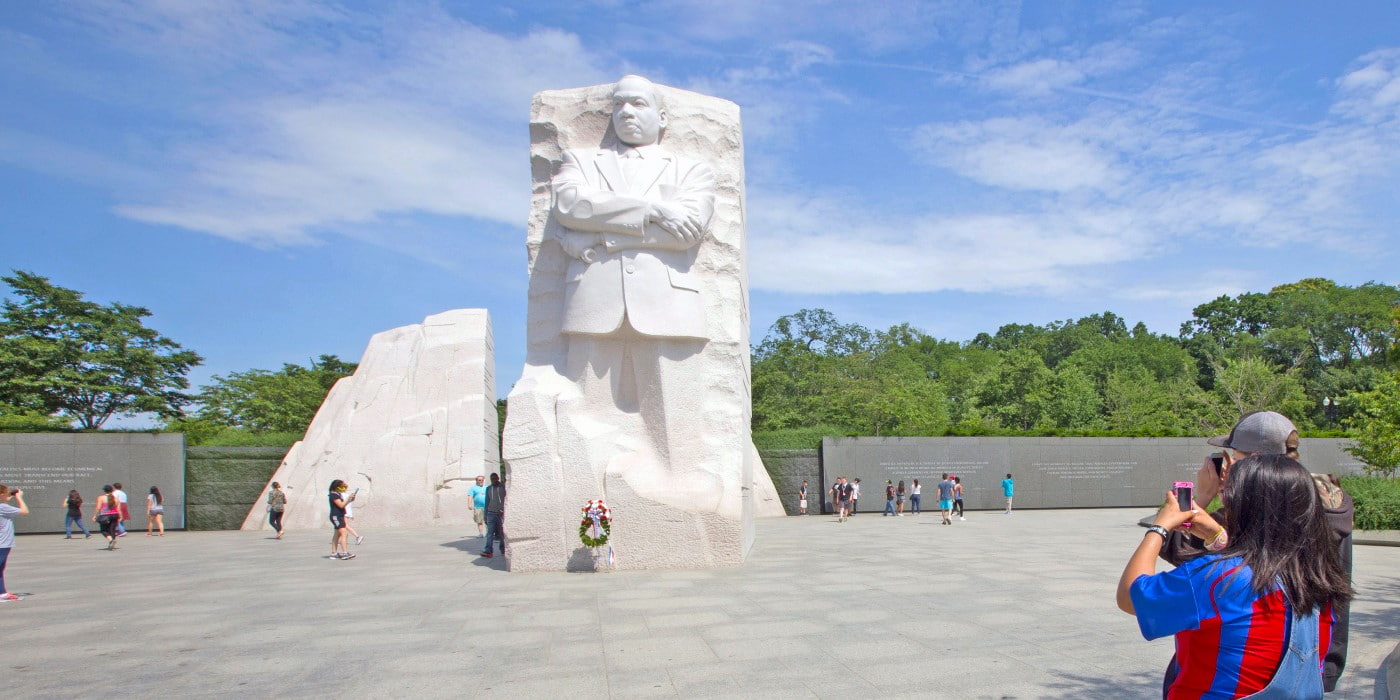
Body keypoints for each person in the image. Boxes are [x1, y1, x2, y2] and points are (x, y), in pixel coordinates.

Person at [553, 75, 719, 509]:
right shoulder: (580, 161)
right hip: (593, 300)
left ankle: (682, 495)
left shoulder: (692, 169)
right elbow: (571, 208)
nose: (627, 112)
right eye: (619, 105)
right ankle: (585, 502)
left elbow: (687, 234)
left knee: (675, 419)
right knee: (585, 415)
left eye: (638, 104)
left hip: (669, 303)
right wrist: (652, 210)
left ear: (662, 117)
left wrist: (606, 237)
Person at [1117, 453, 1352, 698]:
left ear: (1246, 507)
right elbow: (1266, 562)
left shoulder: (1219, 578)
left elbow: (1130, 596)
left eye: (1227, 495)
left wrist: (1159, 527)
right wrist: (1217, 535)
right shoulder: (1319, 578)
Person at [1158, 410, 1355, 692]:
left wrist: (1203, 495)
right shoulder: (1327, 499)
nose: (1228, 465)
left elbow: (1180, 552)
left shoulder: (1259, 504)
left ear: (1254, 459)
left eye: (1235, 457)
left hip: (1244, 661)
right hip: (1311, 654)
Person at [0, 484, 29, 602]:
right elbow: (25, 511)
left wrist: (10, 495)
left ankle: (2, 593)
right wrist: (19, 497)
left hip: (4, 543)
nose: (9, 495)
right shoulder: (2, 507)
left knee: (1, 568)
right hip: (3, 543)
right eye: (7, 493)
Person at [327, 480, 357, 560]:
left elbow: (344, 504)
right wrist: (348, 498)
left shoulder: (338, 494)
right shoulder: (333, 495)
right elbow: (341, 505)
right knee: (344, 533)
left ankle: (334, 553)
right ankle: (344, 553)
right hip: (336, 516)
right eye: (342, 486)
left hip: (339, 516)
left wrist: (351, 499)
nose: (343, 488)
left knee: (337, 534)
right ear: (337, 487)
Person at [480, 473, 505, 558]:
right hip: (491, 513)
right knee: (490, 533)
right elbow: (487, 502)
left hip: (501, 513)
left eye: (495, 478)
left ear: (498, 478)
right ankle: (488, 551)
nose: (494, 480)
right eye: (492, 478)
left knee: (502, 533)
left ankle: (503, 549)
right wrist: (485, 515)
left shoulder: (503, 487)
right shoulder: (488, 489)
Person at [93, 485, 121, 551]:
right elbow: (118, 509)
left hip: (105, 516)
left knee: (103, 530)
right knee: (112, 530)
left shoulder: (101, 498)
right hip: (114, 515)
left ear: (104, 491)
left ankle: (111, 540)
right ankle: (112, 543)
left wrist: (94, 515)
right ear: (112, 490)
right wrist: (120, 516)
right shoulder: (116, 499)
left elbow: (98, 508)